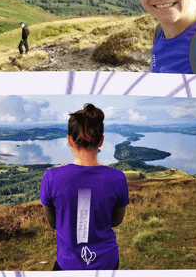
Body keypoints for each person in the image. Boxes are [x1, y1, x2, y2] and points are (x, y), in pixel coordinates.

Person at [40, 104, 129, 270]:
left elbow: (53, 223)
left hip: (68, 264)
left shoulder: (51, 177)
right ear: (101, 140)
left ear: (69, 140)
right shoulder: (118, 178)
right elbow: (116, 221)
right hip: (107, 262)